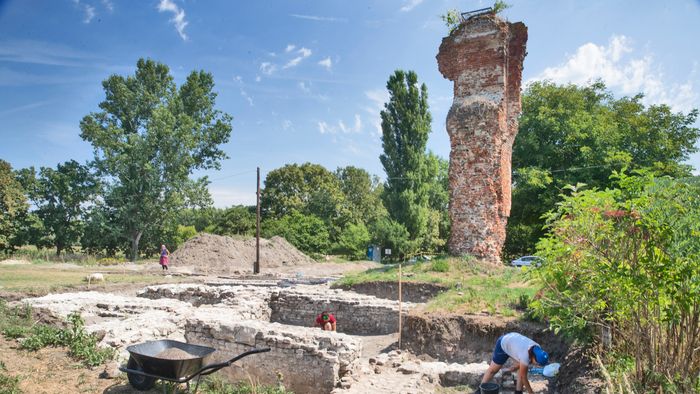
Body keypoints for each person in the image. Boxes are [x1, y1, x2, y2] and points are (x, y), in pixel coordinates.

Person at [474, 332, 549, 394]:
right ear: (534, 356)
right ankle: (479, 391)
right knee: (493, 370)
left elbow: (522, 365)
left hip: (514, 344)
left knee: (522, 369)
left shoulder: (537, 349)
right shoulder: (525, 355)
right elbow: (524, 377)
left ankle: (518, 392)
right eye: (537, 363)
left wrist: (515, 367)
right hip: (504, 343)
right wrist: (531, 392)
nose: (537, 365)